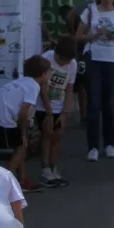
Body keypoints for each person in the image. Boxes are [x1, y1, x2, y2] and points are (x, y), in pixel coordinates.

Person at [76, 0, 114, 161]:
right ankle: (92, 147)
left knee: (109, 104)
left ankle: (109, 144)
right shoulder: (90, 11)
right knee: (94, 104)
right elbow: (78, 36)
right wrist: (95, 35)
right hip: (94, 60)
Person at [0, 57, 52, 192]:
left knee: (21, 147)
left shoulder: (24, 81)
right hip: (1, 118)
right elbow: (23, 113)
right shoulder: (34, 86)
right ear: (43, 74)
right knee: (22, 145)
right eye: (49, 72)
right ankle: (5, 185)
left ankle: (22, 180)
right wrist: (23, 133)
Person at [37, 37, 79, 188]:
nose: (64, 64)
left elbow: (69, 89)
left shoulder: (72, 64)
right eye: (62, 60)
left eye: (67, 61)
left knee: (58, 136)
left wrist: (64, 112)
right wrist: (48, 111)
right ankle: (45, 169)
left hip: (59, 106)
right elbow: (41, 87)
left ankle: (54, 168)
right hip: (43, 106)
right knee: (47, 135)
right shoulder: (46, 59)